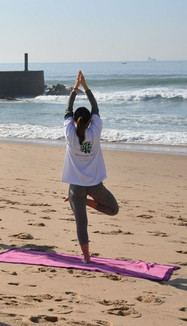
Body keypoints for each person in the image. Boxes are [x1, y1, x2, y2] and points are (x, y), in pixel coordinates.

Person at [63, 71, 119, 263]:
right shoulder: (95, 132)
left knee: (81, 223)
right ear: (89, 122)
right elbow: (95, 108)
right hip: (95, 186)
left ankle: (86, 258)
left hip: (76, 188)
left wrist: (75, 87)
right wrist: (85, 87)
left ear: (74, 121)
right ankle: (86, 202)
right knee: (113, 209)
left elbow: (67, 109)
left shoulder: (69, 134)